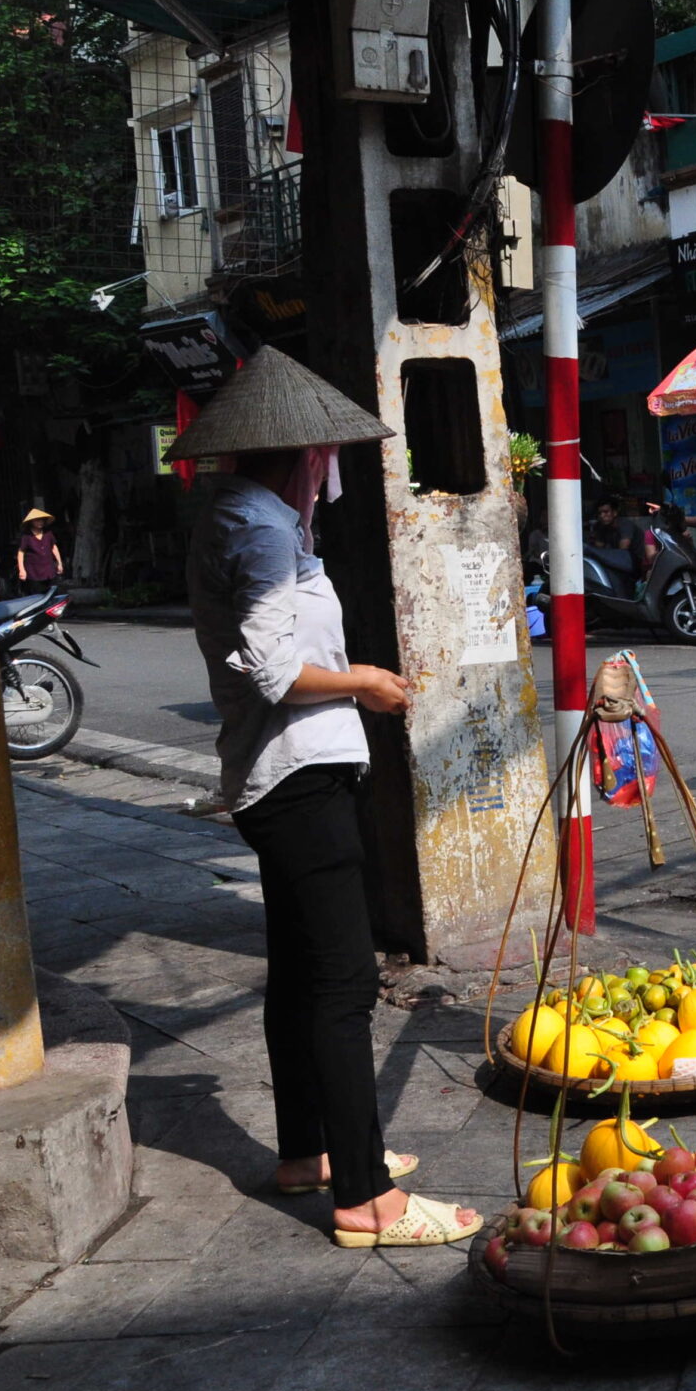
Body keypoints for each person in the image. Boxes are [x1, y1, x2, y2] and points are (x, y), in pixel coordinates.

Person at [168, 346, 480, 1252]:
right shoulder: (260, 527)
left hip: (281, 776)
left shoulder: (244, 515)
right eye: (327, 456)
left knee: (304, 970)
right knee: (345, 982)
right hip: (298, 775)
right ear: (305, 453)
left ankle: (309, 1152)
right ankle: (366, 1199)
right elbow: (271, 669)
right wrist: (365, 684)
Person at [16, 509, 66, 586]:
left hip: (49, 570)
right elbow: (21, 552)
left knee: (52, 593)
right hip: (34, 571)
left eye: (42, 520)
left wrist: (59, 563)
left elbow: (54, 548)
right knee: (37, 595)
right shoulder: (26, 536)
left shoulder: (48, 533)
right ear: (32, 521)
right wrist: (22, 570)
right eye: (37, 520)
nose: (40, 522)